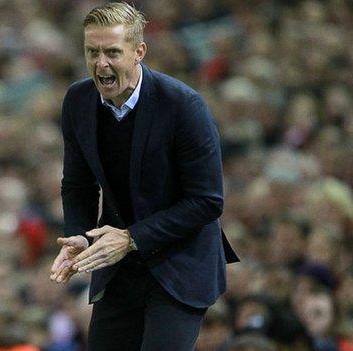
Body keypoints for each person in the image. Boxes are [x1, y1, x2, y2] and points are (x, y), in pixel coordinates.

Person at [49, 2, 239, 350]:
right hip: (119, 267)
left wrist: (131, 237)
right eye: (92, 52)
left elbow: (207, 201)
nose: (100, 64)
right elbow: (77, 183)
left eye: (111, 52)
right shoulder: (77, 100)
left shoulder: (184, 106)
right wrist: (77, 233)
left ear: (139, 51)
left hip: (179, 264)